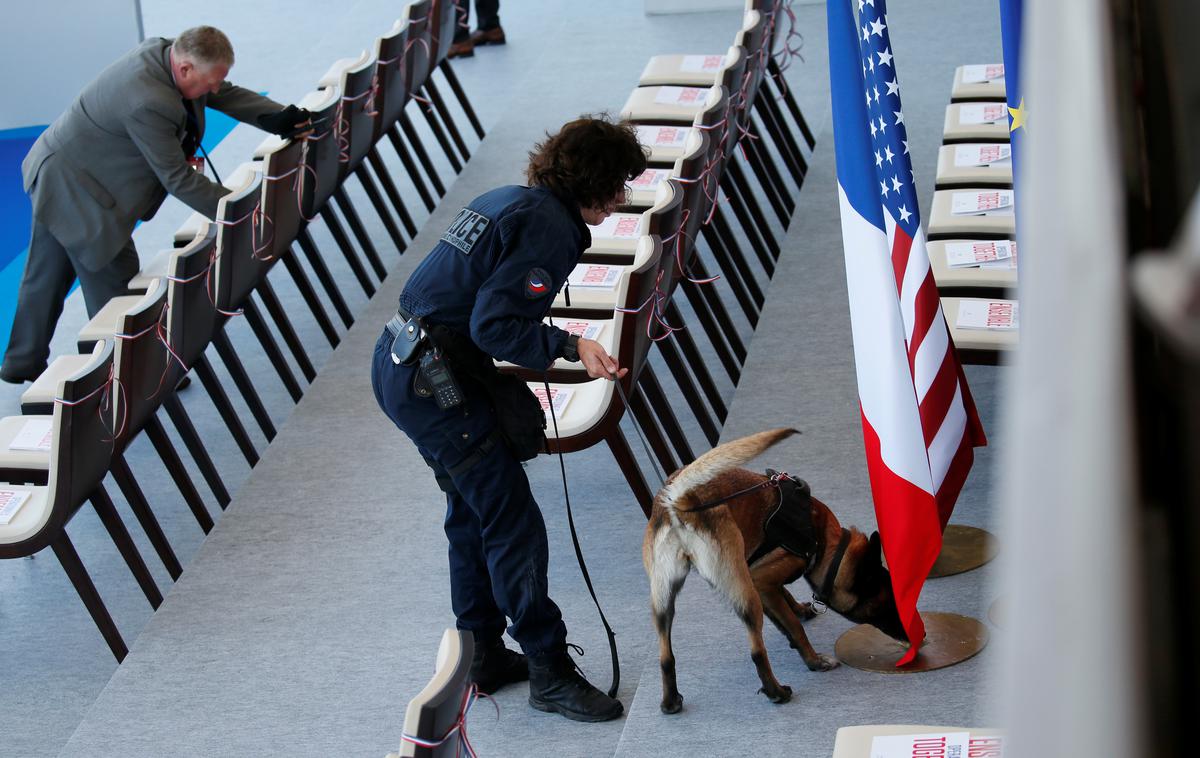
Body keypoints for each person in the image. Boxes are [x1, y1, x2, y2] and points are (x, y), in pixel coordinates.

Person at [371, 115, 647, 722]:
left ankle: (484, 655)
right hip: (436, 381)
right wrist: (568, 346)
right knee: (513, 524)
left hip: (404, 363)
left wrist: (562, 343)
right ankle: (548, 670)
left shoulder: (508, 200)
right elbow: (493, 326)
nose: (622, 198)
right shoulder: (548, 226)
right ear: (594, 181)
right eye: (618, 184)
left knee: (473, 513)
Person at [0, 26, 310, 384]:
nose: (213, 89)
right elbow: (176, 178)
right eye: (209, 81)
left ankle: (21, 362)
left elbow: (224, 93)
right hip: (77, 187)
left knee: (46, 275)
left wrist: (279, 117)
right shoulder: (148, 99)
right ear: (185, 70)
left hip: (69, 168)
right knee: (118, 285)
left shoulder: (172, 57)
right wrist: (242, 212)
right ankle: (141, 378)